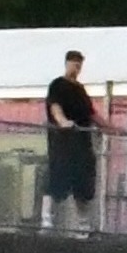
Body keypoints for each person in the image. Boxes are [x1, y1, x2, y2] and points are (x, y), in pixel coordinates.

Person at [39, 49, 100, 230]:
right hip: (62, 144)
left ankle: (83, 224)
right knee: (55, 180)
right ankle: (46, 219)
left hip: (82, 145)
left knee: (83, 184)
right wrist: (63, 122)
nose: (77, 67)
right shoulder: (57, 85)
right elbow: (55, 107)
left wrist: (112, 127)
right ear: (67, 63)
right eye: (74, 63)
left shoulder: (80, 90)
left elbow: (92, 114)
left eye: (79, 63)